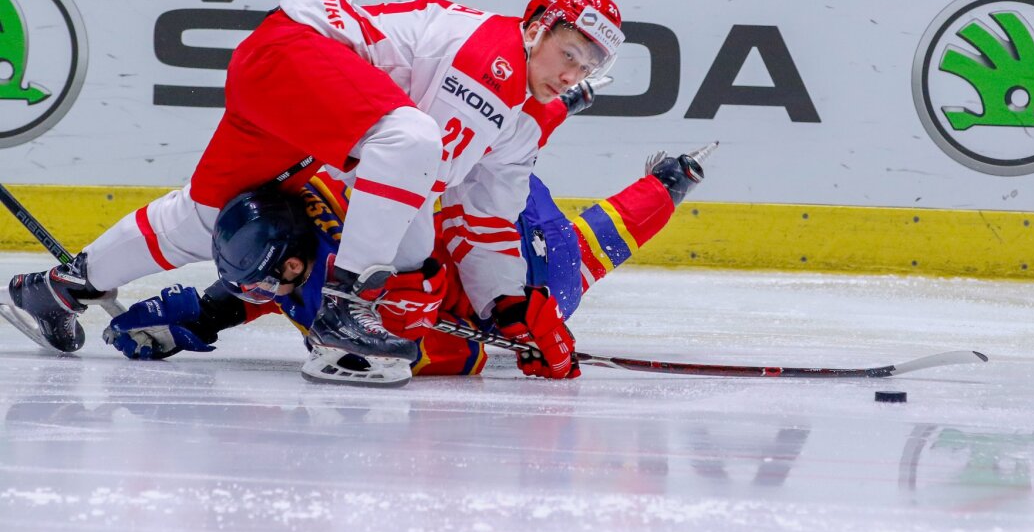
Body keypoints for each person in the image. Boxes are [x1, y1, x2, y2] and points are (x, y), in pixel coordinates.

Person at [6, 0, 624, 385]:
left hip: (308, 90)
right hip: (301, 51)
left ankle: (61, 286)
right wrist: (400, 282)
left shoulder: (526, 119)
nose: (574, 73)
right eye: (569, 51)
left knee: (208, 216)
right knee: (411, 149)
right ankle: (345, 307)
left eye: (590, 66)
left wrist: (510, 306)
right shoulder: (493, 60)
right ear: (538, 28)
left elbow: (488, 222)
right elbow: (410, 170)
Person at [101, 132, 715, 383]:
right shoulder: (302, 205)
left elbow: (458, 352)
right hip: (477, 192)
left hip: (503, 234)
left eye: (268, 284)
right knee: (578, 248)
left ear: (292, 262)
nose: (265, 293)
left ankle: (669, 182)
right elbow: (272, 283)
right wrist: (201, 316)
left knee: (570, 270)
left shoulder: (325, 268)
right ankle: (669, 180)